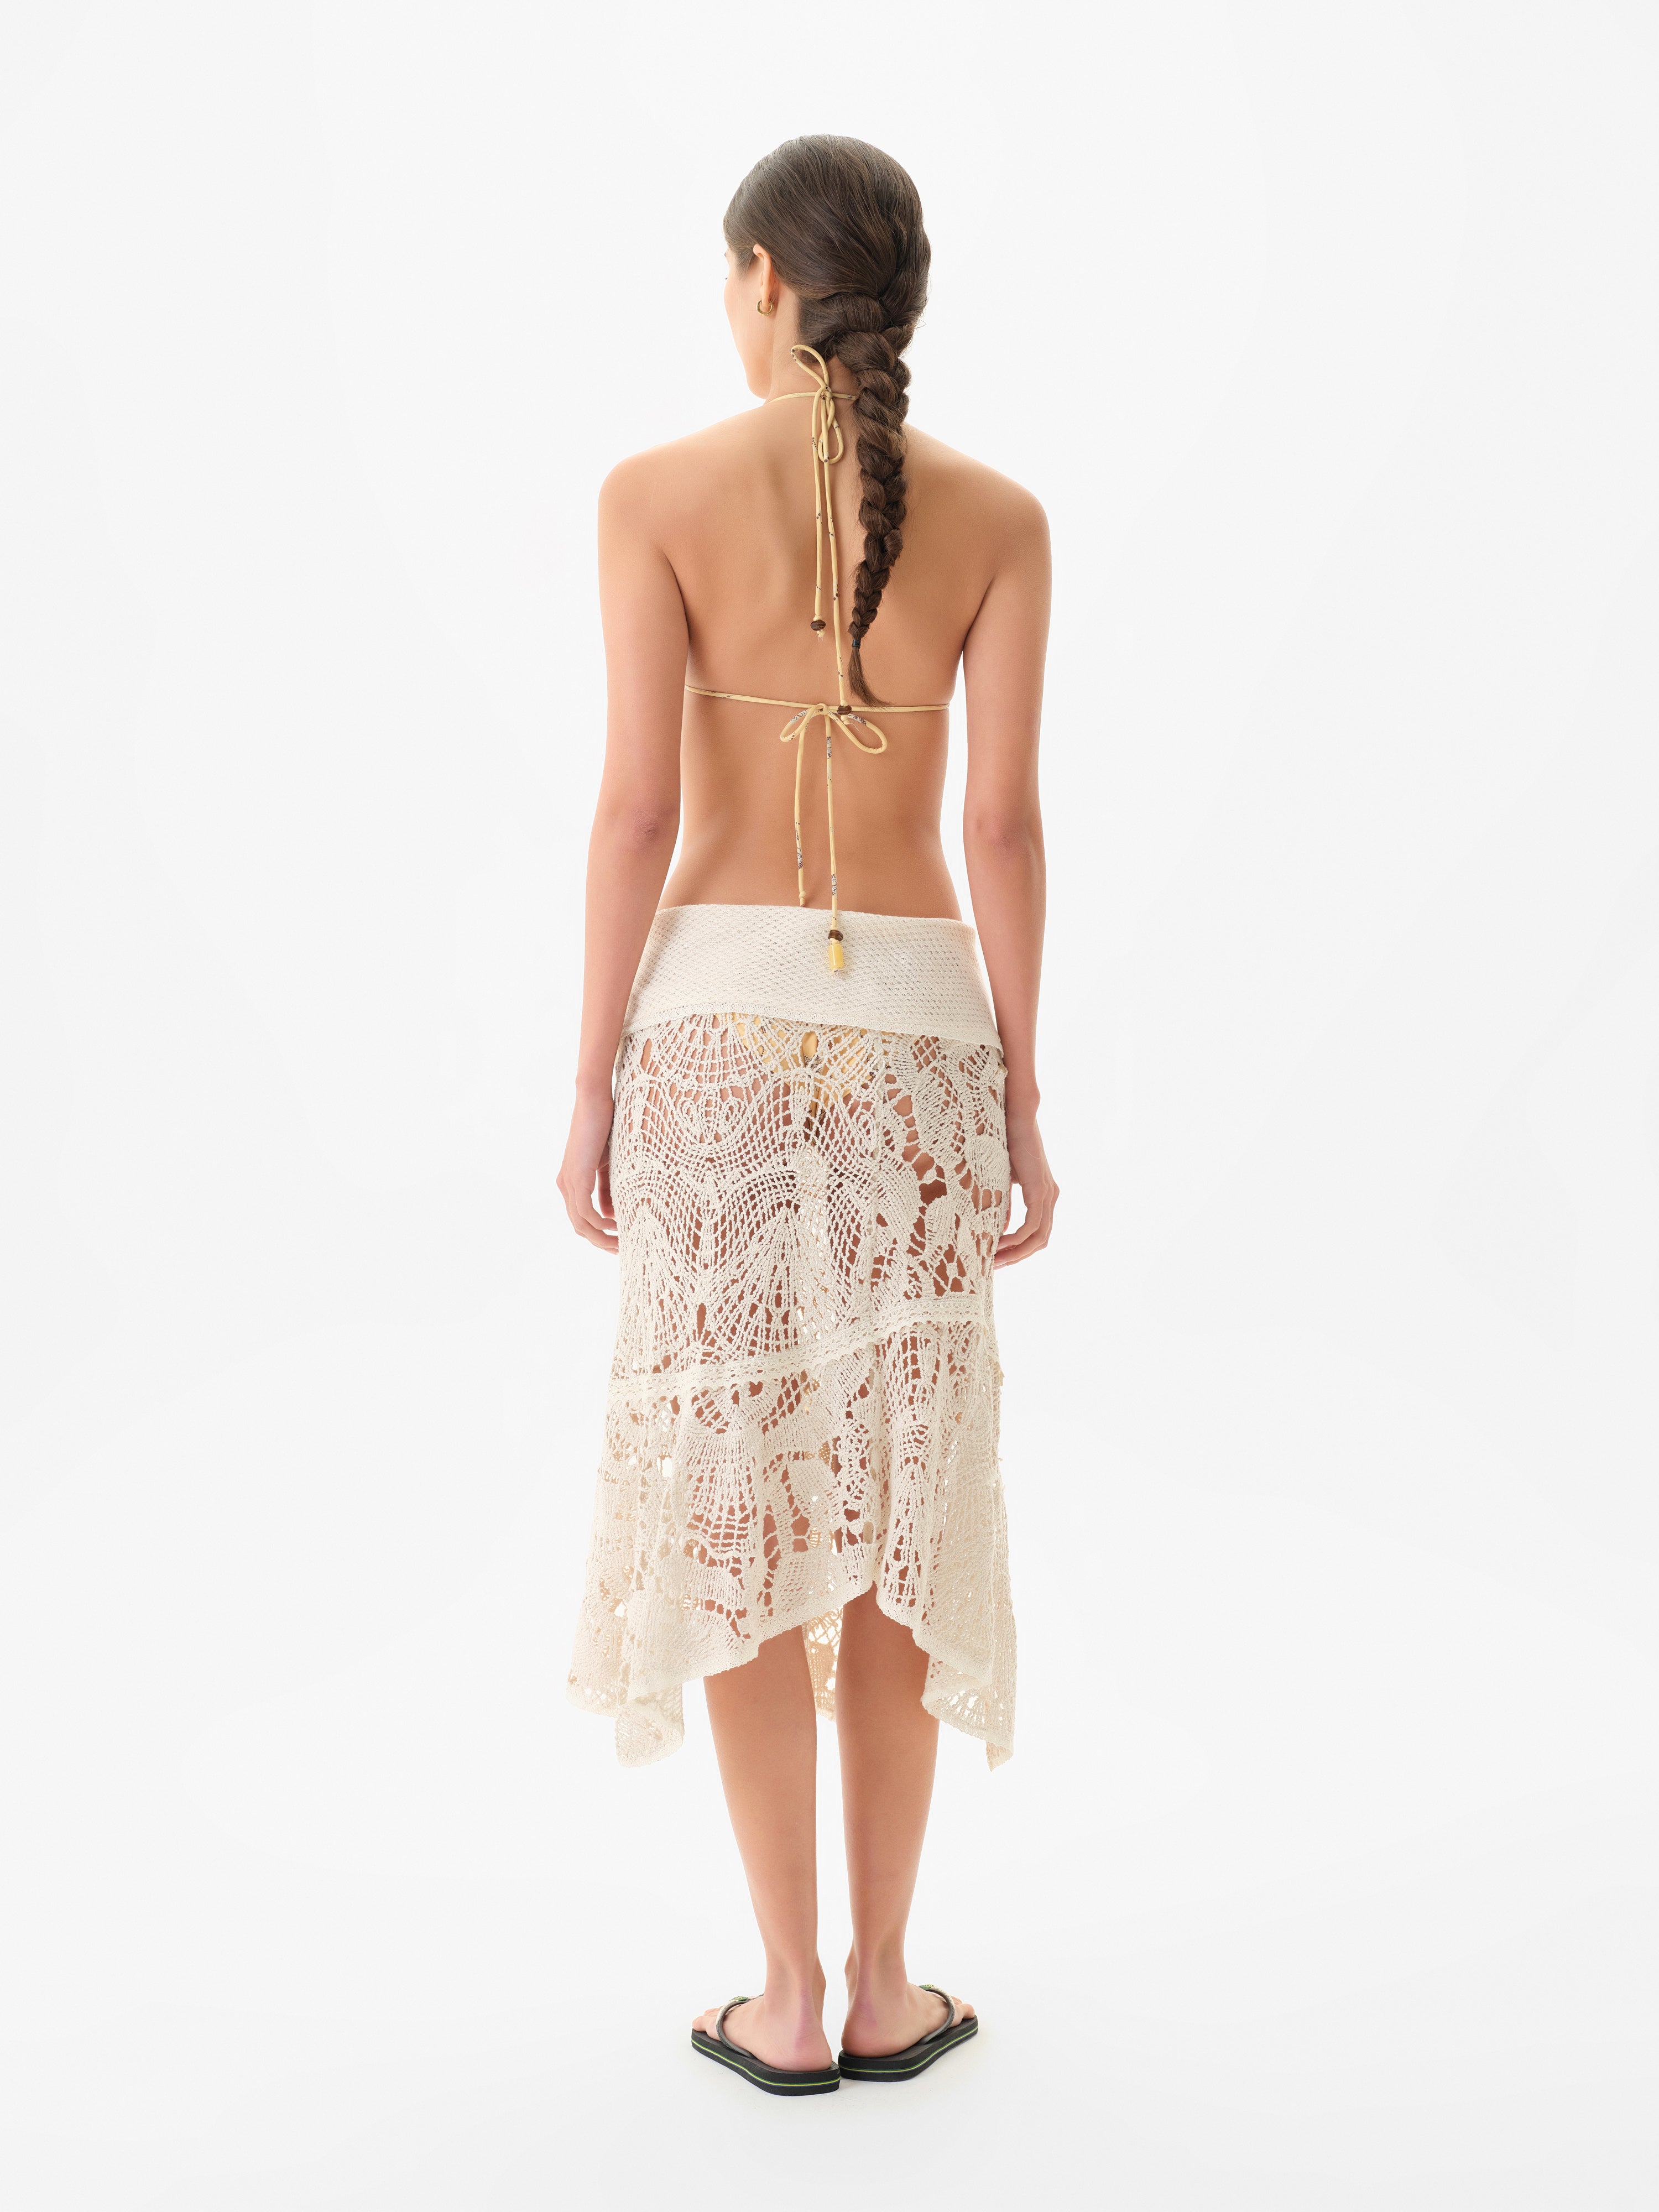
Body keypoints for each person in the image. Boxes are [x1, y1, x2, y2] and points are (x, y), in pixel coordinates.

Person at [560, 135, 1056, 2096]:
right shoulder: (1001, 519)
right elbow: (1000, 828)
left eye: (730, 276)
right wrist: (1025, 1091)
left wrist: (587, 1082)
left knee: (748, 1504)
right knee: (896, 1507)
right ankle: (886, 1985)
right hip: (919, 1044)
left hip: (715, 1045)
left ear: (767, 279)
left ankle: (780, 1996)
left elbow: (635, 814)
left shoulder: (655, 496)